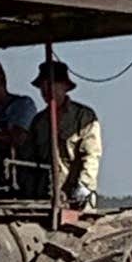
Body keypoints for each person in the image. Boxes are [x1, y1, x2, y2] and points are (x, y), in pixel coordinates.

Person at [28, 58, 101, 210]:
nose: (46, 90)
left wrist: (84, 186)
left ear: (65, 86)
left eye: (51, 84)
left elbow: (91, 155)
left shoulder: (84, 117)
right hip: (44, 199)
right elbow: (29, 158)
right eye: (42, 86)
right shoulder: (38, 122)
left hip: (76, 200)